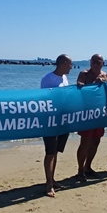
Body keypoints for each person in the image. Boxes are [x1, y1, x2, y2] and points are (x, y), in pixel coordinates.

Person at [74, 54, 107, 182]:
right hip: (87, 113)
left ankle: (88, 167)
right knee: (85, 142)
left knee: (96, 141)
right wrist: (95, 83)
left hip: (100, 114)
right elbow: (80, 89)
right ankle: (80, 169)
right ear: (90, 62)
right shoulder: (84, 74)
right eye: (93, 61)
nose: (95, 63)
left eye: (98, 61)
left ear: (103, 63)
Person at [40, 54, 73, 197]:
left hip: (63, 120)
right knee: (50, 152)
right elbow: (44, 99)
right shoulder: (48, 79)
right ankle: (48, 185)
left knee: (56, 151)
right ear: (64, 63)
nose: (72, 67)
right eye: (70, 64)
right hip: (50, 121)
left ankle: (52, 179)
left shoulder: (65, 78)